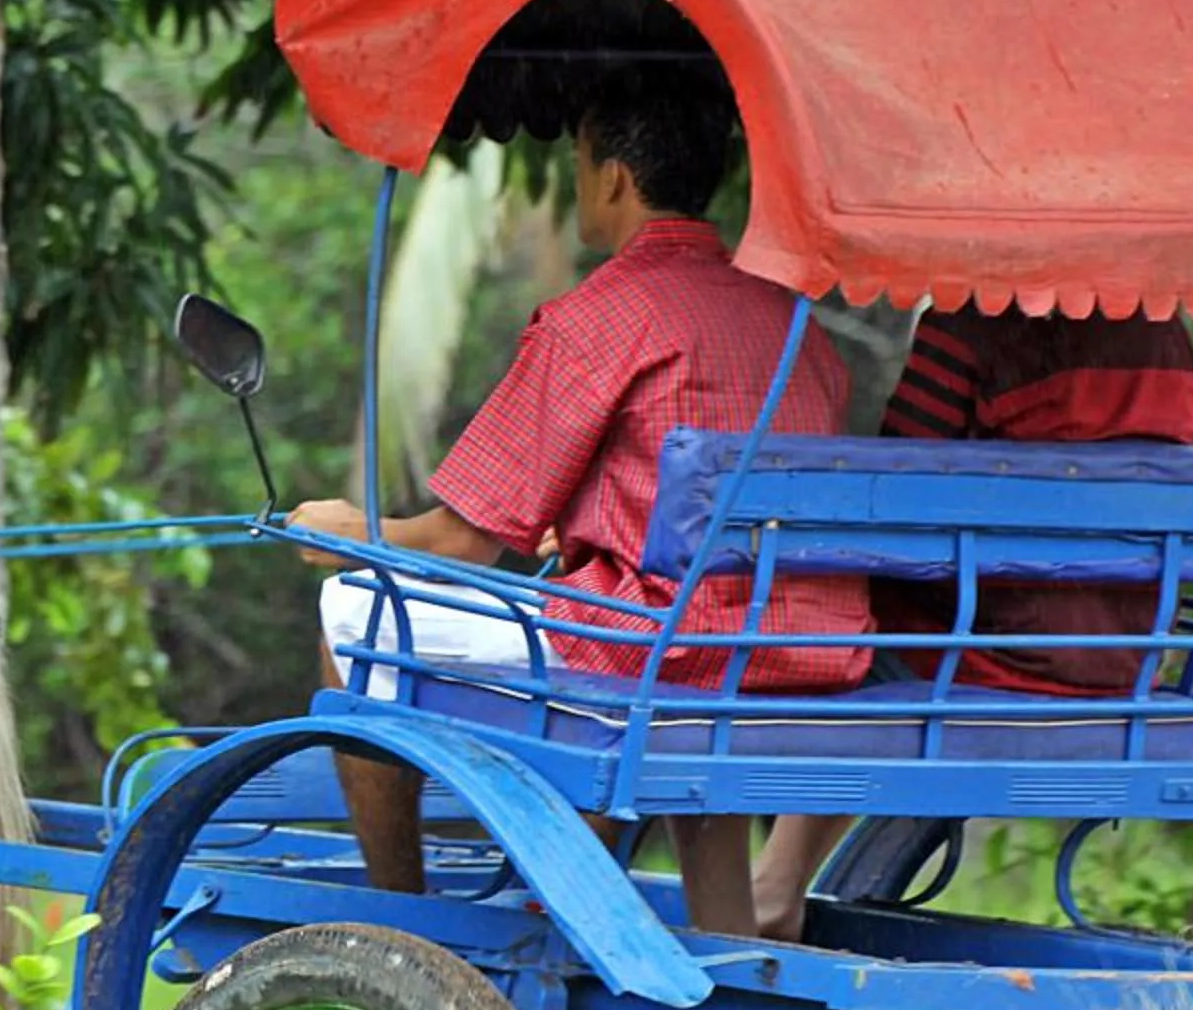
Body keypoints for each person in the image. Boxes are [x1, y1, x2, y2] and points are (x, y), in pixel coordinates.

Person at [290, 65, 869, 937]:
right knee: (680, 634)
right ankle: (731, 946)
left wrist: (349, 533)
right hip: (793, 658)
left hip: (656, 663)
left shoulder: (597, 320)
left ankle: (398, 918)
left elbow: (460, 542)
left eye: (580, 161)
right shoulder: (795, 326)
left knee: (354, 611)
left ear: (614, 177)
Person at [749, 305, 1193, 937]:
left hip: (993, 656)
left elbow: (897, 493)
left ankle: (776, 879)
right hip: (1127, 653)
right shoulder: (1163, 329)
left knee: (835, 621)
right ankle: (780, 879)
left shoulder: (974, 321)